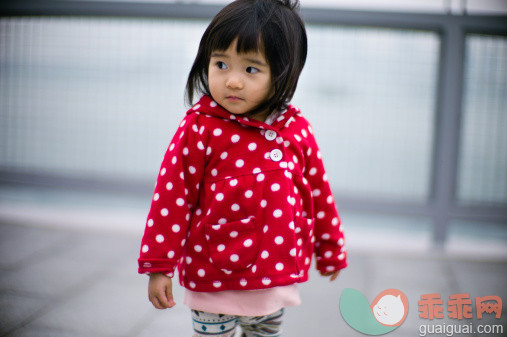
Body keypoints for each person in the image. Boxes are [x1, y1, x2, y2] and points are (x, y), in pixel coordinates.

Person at [138, 0, 347, 336]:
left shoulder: (295, 130)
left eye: (251, 69)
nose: (232, 81)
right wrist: (159, 265)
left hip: (274, 277)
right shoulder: (200, 128)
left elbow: (319, 192)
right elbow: (173, 198)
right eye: (221, 64)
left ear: (283, 73)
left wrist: (331, 246)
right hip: (214, 276)